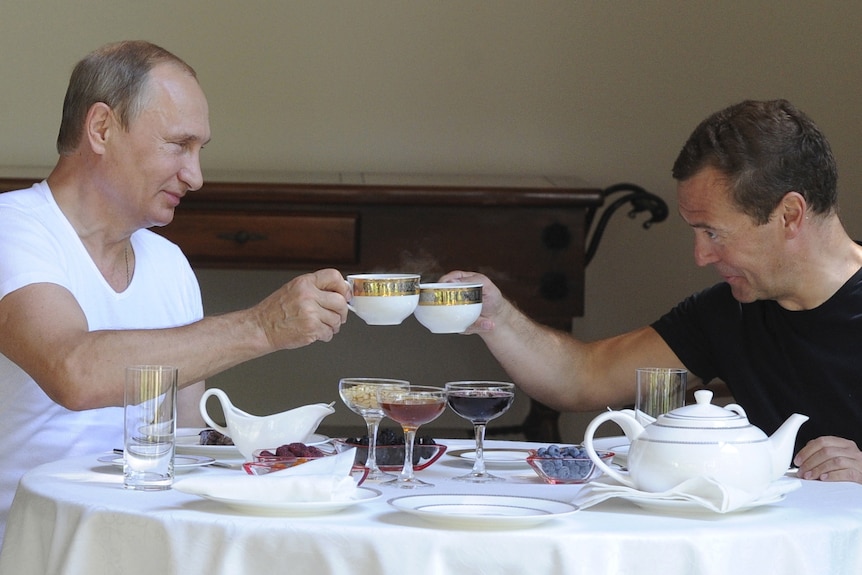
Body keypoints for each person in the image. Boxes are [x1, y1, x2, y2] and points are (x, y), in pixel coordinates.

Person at [0, 41, 350, 544]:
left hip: (141, 543)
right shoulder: (14, 229)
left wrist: (288, 461)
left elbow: (186, 443)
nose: (196, 176)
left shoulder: (169, 264)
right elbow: (72, 371)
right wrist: (262, 326)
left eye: (199, 150)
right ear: (101, 129)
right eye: (178, 145)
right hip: (33, 547)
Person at [442, 99, 862, 485]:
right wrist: (496, 316)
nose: (700, 256)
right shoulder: (727, 312)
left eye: (713, 232)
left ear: (789, 214)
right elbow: (581, 377)